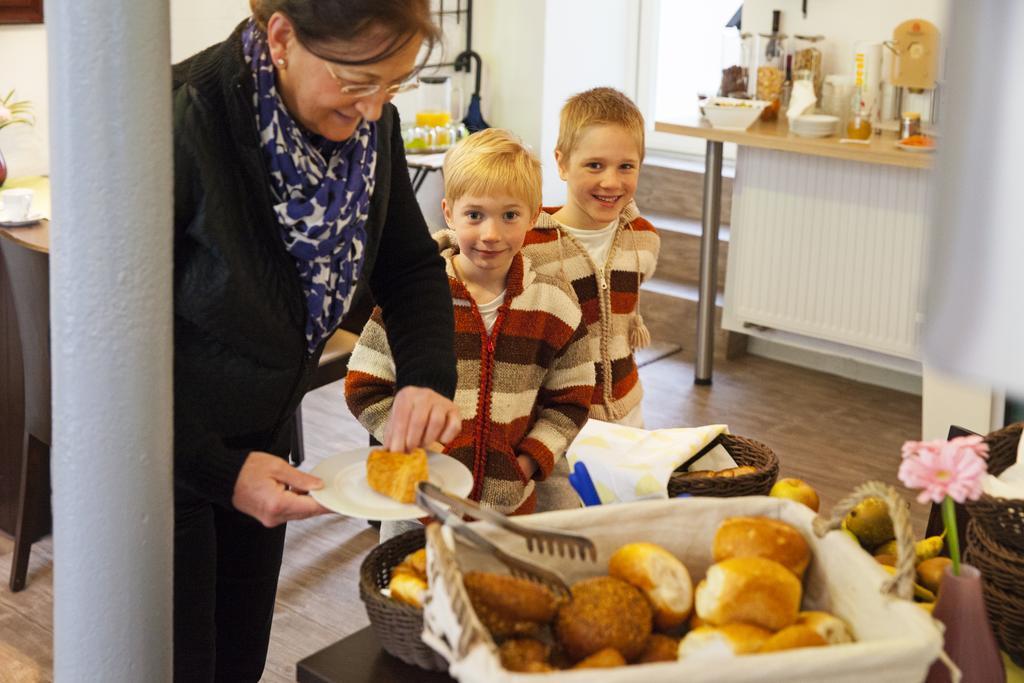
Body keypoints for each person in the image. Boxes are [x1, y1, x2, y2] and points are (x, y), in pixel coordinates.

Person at [171, 1, 460, 679]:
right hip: (163, 453)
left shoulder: (368, 126)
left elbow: (410, 265)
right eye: (358, 82)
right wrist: (217, 468)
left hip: (264, 442)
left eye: (392, 84)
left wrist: (425, 375)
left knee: (237, 659)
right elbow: (107, 353)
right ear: (281, 38)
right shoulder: (181, 120)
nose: (372, 110)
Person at [345, 129, 595, 540]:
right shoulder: (416, 301)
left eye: (510, 215)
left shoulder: (554, 304)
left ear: (533, 216)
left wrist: (529, 462)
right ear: (448, 212)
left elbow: (571, 399)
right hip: (418, 508)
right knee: (413, 599)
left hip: (510, 515)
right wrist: (406, 438)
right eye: (475, 215)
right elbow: (364, 385)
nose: (490, 234)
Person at [522, 87, 660, 428]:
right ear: (562, 163)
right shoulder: (529, 245)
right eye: (594, 165)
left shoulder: (643, 239)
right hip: (557, 420)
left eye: (626, 166)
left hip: (628, 413)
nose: (611, 182)